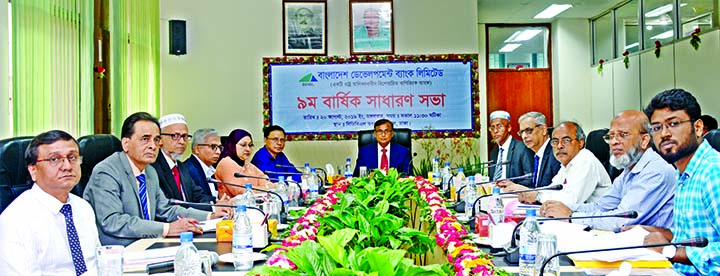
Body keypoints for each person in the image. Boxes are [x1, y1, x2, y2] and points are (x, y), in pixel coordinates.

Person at [84, 112, 227, 246]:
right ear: (125, 144)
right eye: (145, 139)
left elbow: (167, 210)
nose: (153, 146)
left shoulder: (150, 172)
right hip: (120, 251)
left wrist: (210, 216)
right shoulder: (106, 172)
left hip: (147, 244)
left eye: (156, 139)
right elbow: (113, 221)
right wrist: (167, 228)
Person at [540, 110, 676, 231]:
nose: (614, 142)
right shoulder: (628, 172)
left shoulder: (656, 171)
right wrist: (559, 207)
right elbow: (601, 207)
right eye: (611, 136)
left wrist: (571, 216)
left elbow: (620, 220)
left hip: (656, 253)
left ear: (644, 140)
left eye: (622, 135)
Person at [637, 89, 720, 275]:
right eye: (657, 127)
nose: (664, 134)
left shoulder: (713, 172)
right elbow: (694, 236)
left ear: (698, 128)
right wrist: (658, 233)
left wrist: (669, 251)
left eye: (673, 124)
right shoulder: (682, 173)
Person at [0, 130, 99, 275]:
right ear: (33, 170)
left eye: (72, 157)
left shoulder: (83, 207)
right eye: (54, 159)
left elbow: (97, 263)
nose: (67, 166)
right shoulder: (15, 220)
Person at [517, 121, 611, 205]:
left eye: (566, 140)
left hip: (597, 219)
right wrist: (529, 193)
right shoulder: (567, 164)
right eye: (555, 141)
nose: (559, 146)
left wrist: (538, 196)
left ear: (580, 143)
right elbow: (553, 188)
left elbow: (572, 200)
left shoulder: (585, 160)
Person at [150, 114, 218, 211]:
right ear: (160, 139)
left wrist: (217, 203)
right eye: (175, 136)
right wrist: (213, 208)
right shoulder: (153, 168)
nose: (182, 141)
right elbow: (168, 206)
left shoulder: (181, 167)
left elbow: (198, 196)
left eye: (185, 136)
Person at [498, 111, 561, 191]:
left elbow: (556, 190)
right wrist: (515, 186)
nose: (524, 136)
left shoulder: (555, 153)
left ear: (544, 130)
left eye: (529, 130)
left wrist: (524, 190)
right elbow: (537, 186)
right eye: (521, 132)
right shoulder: (538, 155)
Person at [215, 129, 273, 198]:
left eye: (250, 145)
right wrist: (267, 188)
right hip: (231, 207)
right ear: (232, 145)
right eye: (243, 145)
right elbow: (239, 190)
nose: (248, 149)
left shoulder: (246, 163)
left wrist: (273, 186)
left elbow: (263, 179)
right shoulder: (225, 163)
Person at [487, 110, 534, 186]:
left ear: (509, 128)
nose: (495, 131)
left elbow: (531, 179)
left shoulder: (522, 148)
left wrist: (511, 187)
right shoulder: (494, 153)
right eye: (492, 128)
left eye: (499, 126)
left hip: (515, 194)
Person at [183, 128, 222, 198]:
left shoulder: (212, 169)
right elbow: (197, 200)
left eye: (219, 147)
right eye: (213, 146)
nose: (218, 152)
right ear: (197, 149)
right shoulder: (188, 170)